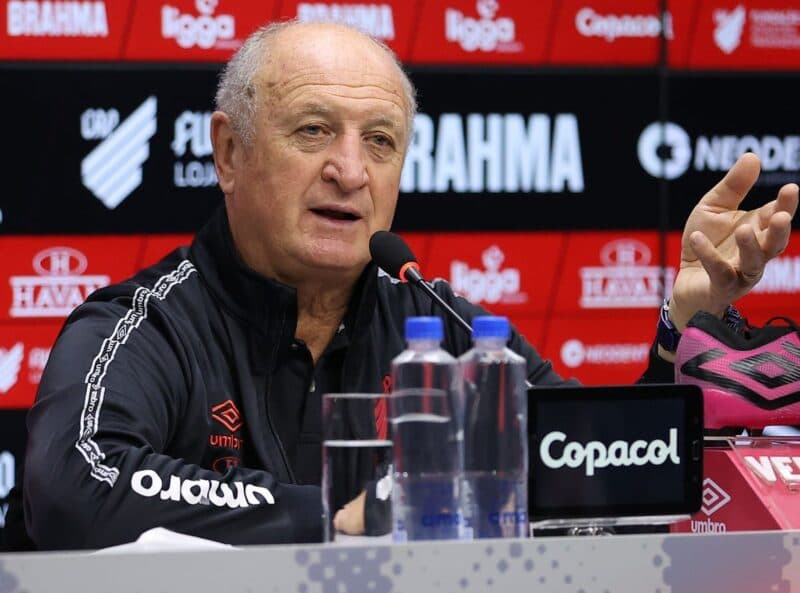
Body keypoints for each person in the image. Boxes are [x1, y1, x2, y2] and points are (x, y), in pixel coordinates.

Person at [17, 20, 798, 550]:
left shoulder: (436, 317)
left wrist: (682, 321)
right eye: (314, 130)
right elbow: (72, 483)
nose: (350, 171)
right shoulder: (146, 325)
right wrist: (338, 516)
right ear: (228, 153)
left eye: (380, 142)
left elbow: (597, 475)